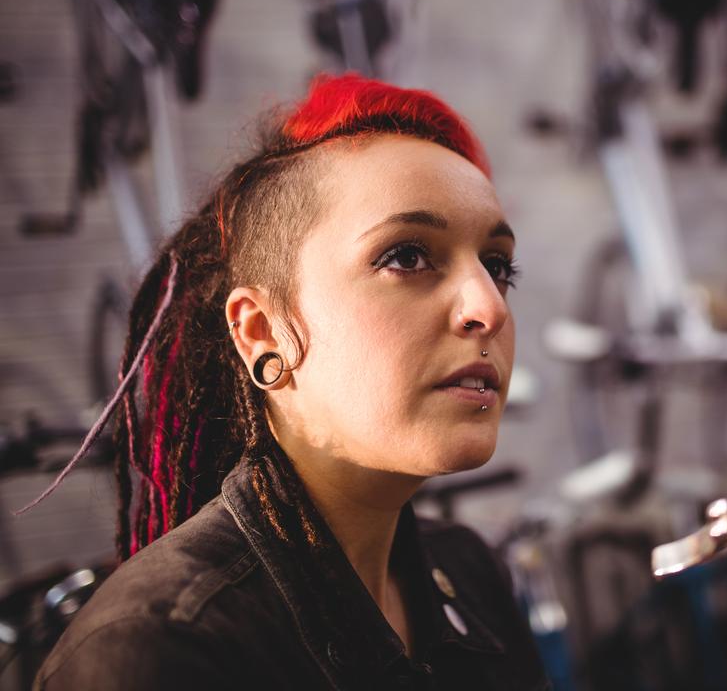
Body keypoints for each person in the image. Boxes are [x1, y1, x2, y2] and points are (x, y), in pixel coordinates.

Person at [33, 74, 550, 690]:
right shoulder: (157, 647)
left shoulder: (469, 573)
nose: (487, 308)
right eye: (406, 256)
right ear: (262, 332)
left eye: (497, 266)